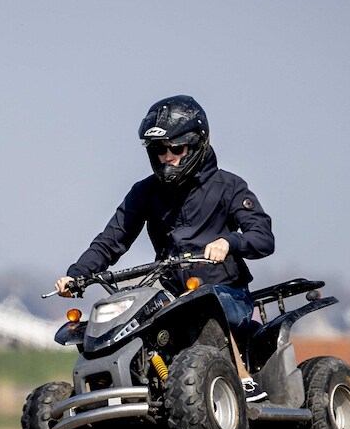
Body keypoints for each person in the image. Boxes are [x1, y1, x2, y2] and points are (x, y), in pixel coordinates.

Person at [53, 95, 275, 402]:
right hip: (170, 296)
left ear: (197, 144)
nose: (166, 157)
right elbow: (110, 239)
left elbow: (263, 237)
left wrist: (229, 242)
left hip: (227, 295)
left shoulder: (229, 186)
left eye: (176, 148)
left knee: (201, 302)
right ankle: (114, 393)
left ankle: (242, 378)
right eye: (158, 150)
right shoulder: (144, 192)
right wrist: (76, 275)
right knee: (127, 320)